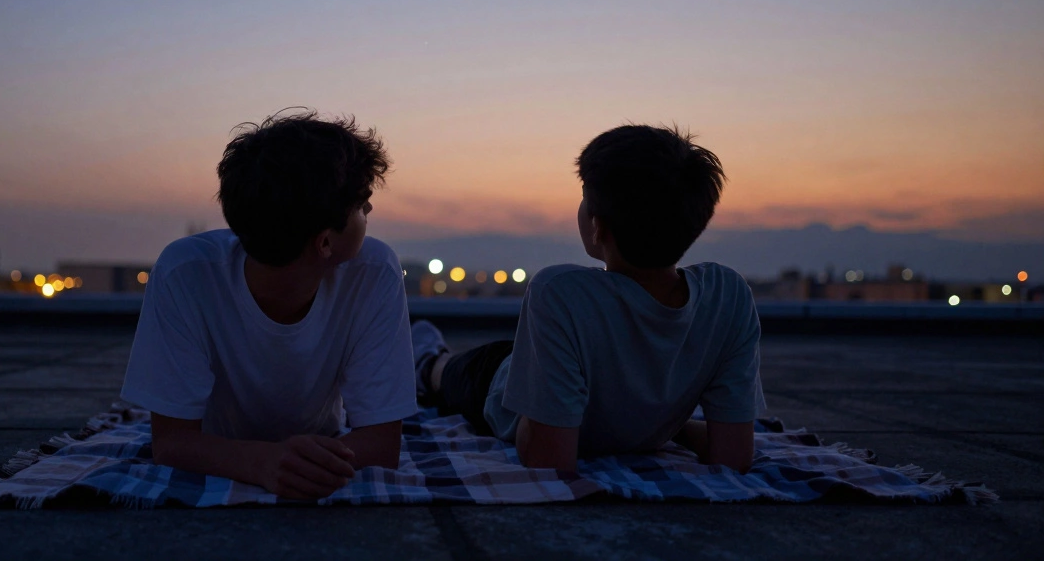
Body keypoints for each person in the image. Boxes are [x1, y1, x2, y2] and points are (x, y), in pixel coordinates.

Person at [413, 124, 764, 473]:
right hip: (513, 367)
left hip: (499, 384)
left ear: (598, 226)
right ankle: (425, 353)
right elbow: (732, 455)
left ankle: (427, 358)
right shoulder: (727, 296)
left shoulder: (560, 293)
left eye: (585, 196)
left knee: (448, 375)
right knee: (448, 369)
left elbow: (545, 458)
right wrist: (653, 430)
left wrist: (643, 432)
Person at [121, 110, 417, 500]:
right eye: (362, 204)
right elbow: (171, 443)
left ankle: (425, 350)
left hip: (310, 446)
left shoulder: (374, 272)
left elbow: (381, 445)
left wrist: (284, 461)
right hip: (294, 449)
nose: (370, 212)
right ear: (325, 242)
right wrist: (262, 462)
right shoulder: (186, 274)